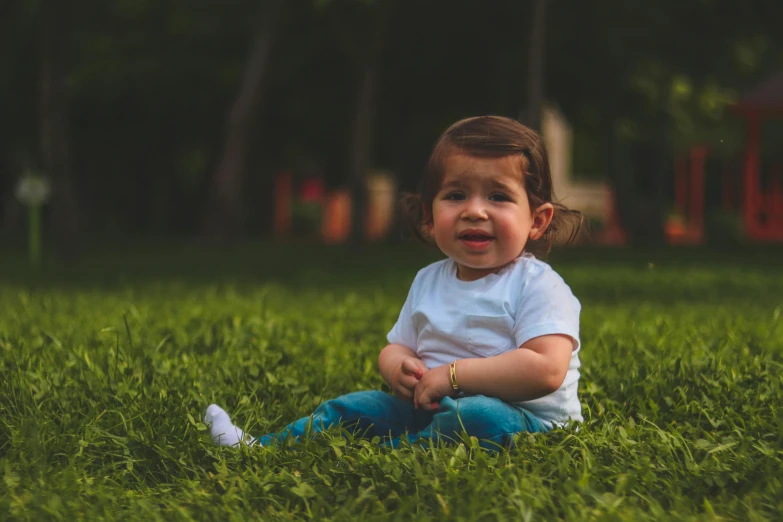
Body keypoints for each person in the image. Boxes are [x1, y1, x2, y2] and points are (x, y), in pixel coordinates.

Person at [205, 115, 584, 450]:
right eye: (455, 195)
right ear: (429, 216)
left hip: (523, 419)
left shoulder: (538, 285)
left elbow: (545, 369)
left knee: (479, 416)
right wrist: (400, 368)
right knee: (355, 406)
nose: (474, 210)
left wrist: (453, 377)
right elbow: (395, 347)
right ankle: (262, 447)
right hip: (427, 406)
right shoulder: (428, 281)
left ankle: (397, 453)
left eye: (499, 196)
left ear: (537, 220)